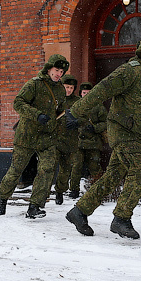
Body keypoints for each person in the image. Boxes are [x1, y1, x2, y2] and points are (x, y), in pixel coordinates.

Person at [64, 34, 141, 239]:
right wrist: (76, 111)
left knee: (112, 176)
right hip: (123, 132)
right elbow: (102, 90)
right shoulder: (130, 71)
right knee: (140, 174)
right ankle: (121, 219)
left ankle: (80, 211)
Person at [0, 54, 75, 219]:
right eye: (56, 70)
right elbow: (18, 102)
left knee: (46, 170)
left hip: (47, 137)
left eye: (61, 71)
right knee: (17, 169)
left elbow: (58, 111)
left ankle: (34, 206)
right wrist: (36, 114)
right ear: (49, 69)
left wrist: (64, 119)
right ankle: (3, 198)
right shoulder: (34, 84)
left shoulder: (60, 89)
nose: (58, 74)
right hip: (27, 135)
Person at [70, 82, 108, 198]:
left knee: (95, 167)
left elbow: (105, 122)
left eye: (88, 93)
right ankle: (74, 190)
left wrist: (95, 127)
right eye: (84, 93)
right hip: (78, 142)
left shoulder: (98, 106)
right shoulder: (76, 106)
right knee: (76, 166)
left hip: (93, 143)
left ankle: (99, 191)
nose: (86, 94)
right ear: (81, 94)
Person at [53, 74, 80, 205]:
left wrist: (78, 122)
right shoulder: (56, 99)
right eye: (66, 87)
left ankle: (60, 191)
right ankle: (42, 194)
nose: (68, 90)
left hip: (71, 141)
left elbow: (86, 117)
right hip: (55, 140)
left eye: (71, 87)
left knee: (65, 170)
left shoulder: (78, 101)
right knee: (48, 167)